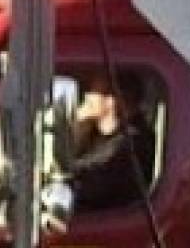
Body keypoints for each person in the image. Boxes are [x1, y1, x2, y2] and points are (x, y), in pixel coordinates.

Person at [64, 73, 156, 213]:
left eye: (92, 91)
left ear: (112, 99)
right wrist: (77, 128)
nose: (86, 96)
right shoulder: (94, 133)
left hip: (105, 221)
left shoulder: (133, 142)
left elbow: (88, 179)